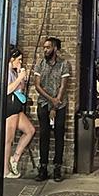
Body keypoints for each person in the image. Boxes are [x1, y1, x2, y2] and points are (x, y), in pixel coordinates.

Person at [33, 37, 71, 182]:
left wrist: (56, 103)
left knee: (59, 135)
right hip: (43, 103)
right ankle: (43, 167)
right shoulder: (40, 64)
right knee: (44, 135)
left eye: (48, 47)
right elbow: (37, 85)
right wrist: (50, 99)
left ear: (55, 48)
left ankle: (57, 167)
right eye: (44, 47)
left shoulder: (64, 64)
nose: (45, 50)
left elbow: (63, 85)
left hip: (60, 104)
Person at [4, 48, 36, 178]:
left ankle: (15, 158)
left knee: (30, 130)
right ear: (12, 59)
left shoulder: (14, 72)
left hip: (17, 106)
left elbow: (21, 88)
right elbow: (7, 89)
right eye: (19, 60)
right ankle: (5, 170)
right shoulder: (5, 72)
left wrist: (21, 76)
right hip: (9, 106)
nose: (21, 62)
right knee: (8, 140)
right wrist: (19, 79)